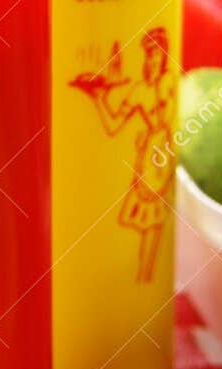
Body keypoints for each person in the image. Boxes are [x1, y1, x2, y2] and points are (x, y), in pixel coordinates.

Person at [70, 26, 177, 283]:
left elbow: (167, 117)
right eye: (149, 55)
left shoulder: (168, 82)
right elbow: (113, 125)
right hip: (147, 161)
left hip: (162, 154)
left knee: (156, 225)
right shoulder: (139, 90)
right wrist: (97, 97)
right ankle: (140, 276)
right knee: (147, 225)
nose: (153, 61)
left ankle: (144, 278)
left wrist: (161, 88)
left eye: (158, 55)